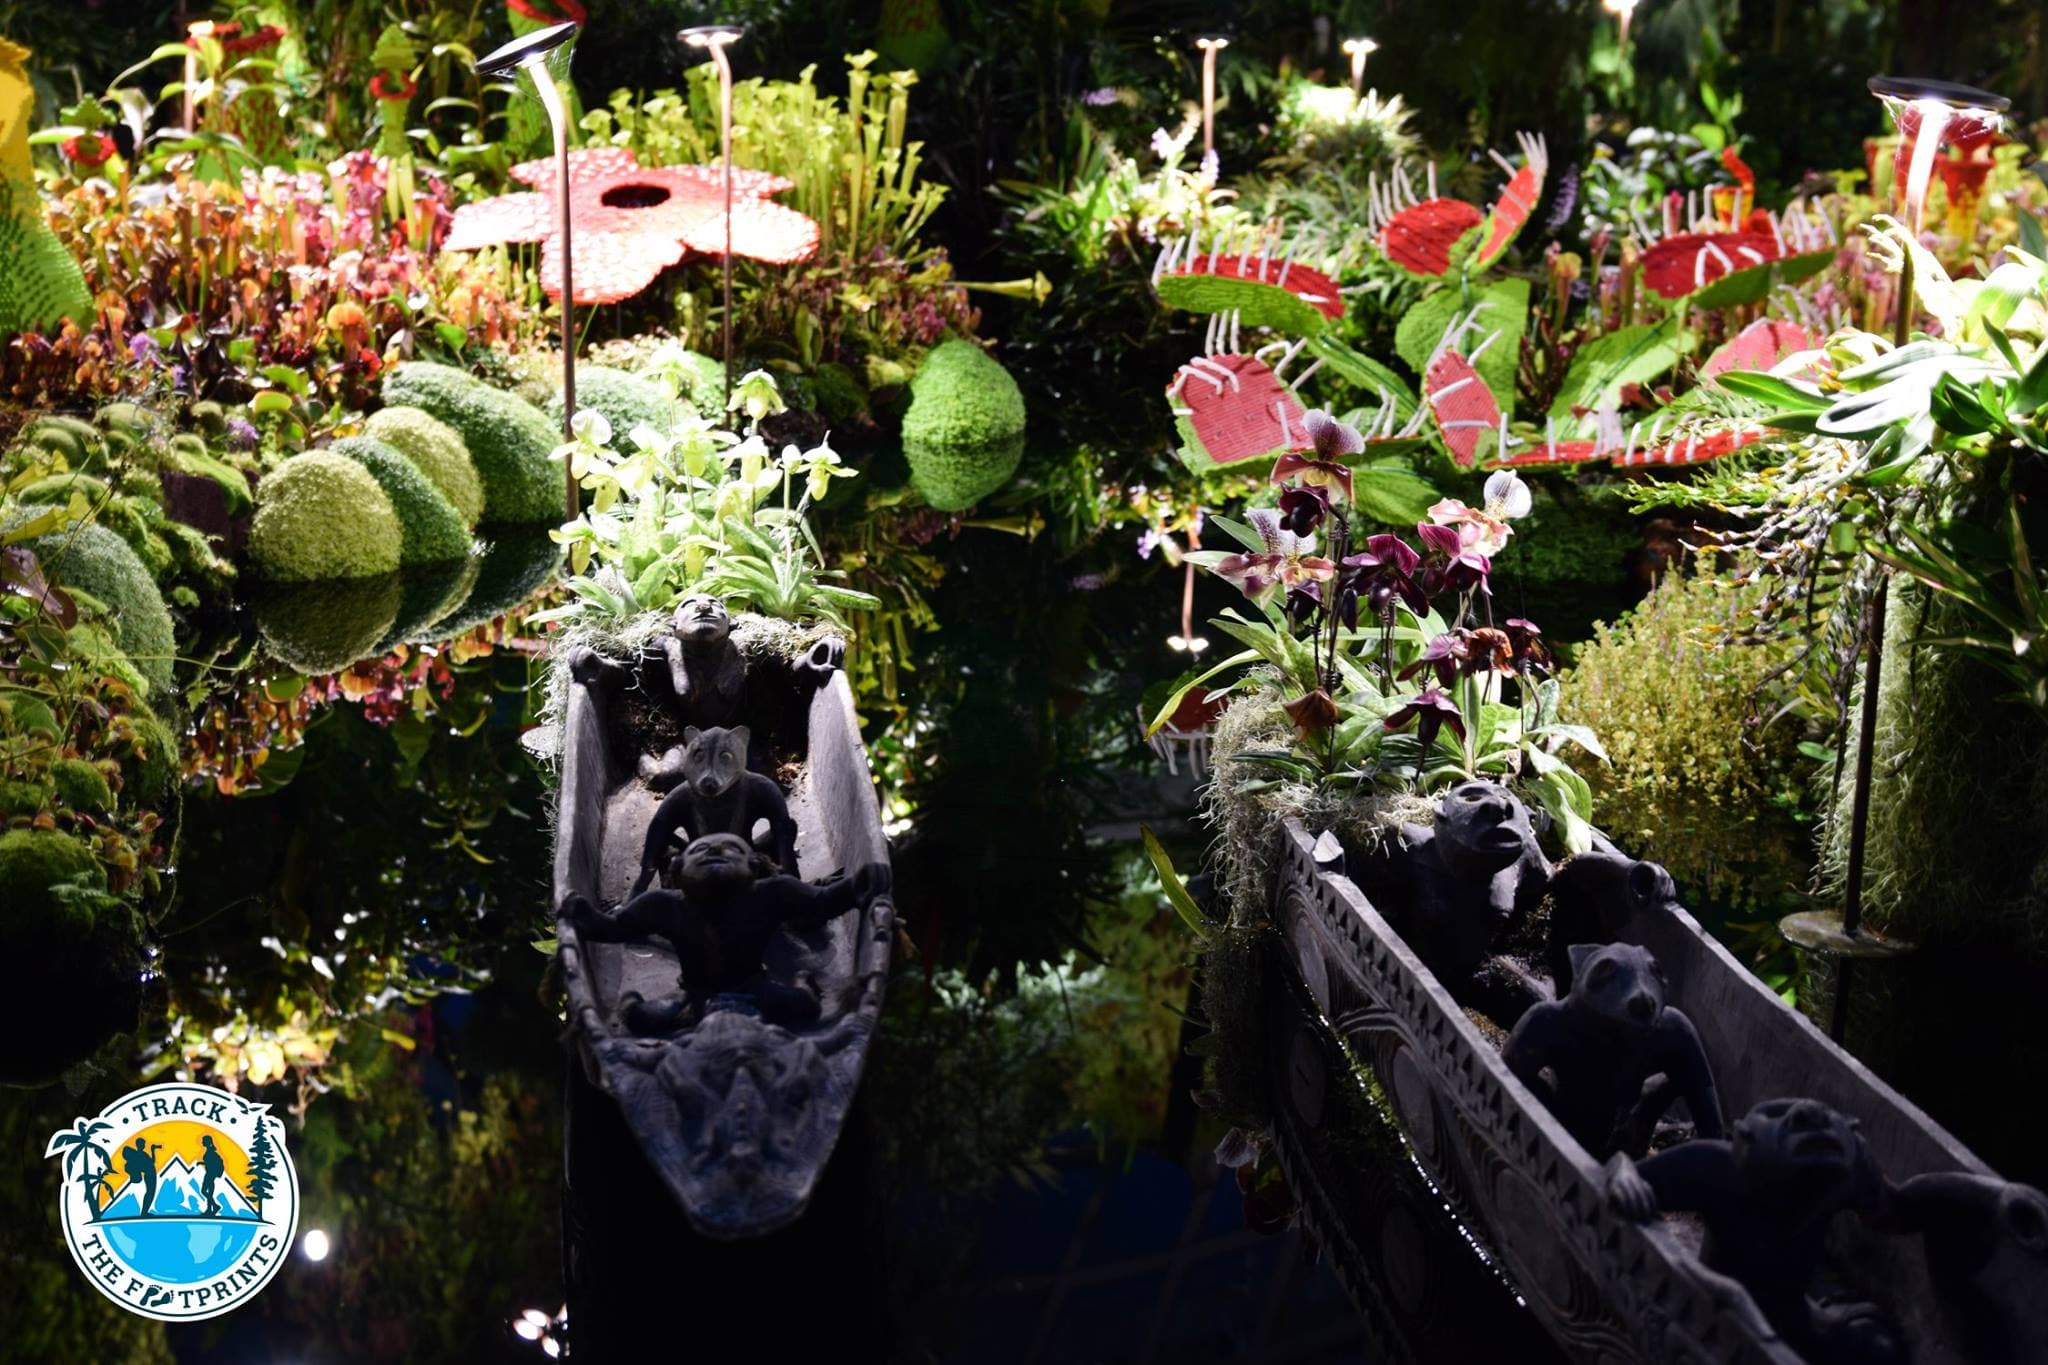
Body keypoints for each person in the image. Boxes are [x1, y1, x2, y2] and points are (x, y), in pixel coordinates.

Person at [120, 1137, 160, 1217]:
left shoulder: (142, 1154)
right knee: (150, 1193)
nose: (144, 1145)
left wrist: (152, 1150)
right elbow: (149, 1163)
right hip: (150, 1175)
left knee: (150, 1193)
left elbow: (151, 1162)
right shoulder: (139, 1155)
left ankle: (144, 1212)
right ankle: (144, 1213)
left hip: (151, 1174)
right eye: (142, 1144)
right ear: (139, 1145)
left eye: (144, 1144)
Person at [198, 1135, 226, 1216]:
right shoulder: (210, 1151)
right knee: (208, 1192)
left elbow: (211, 1163)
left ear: (207, 1142)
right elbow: (210, 1162)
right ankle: (212, 1208)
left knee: (204, 1191)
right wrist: (202, 1163)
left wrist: (203, 1163)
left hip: (210, 1174)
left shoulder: (210, 1152)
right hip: (210, 1174)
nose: (202, 1142)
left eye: (203, 1141)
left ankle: (212, 1208)